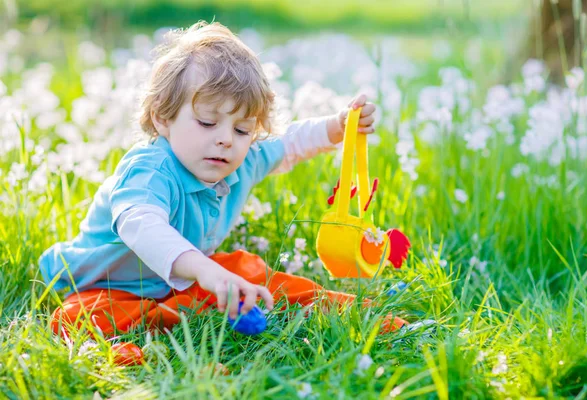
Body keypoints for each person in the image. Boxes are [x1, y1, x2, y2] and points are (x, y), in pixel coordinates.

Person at [39, 22, 406, 360]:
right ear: (162, 118)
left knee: (246, 270)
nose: (225, 140)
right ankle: (130, 351)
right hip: (107, 284)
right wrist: (205, 272)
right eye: (207, 122)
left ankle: (346, 308)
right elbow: (142, 226)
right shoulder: (149, 172)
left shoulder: (239, 157)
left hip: (182, 280)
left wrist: (337, 126)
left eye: (243, 129)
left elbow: (289, 142)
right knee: (76, 317)